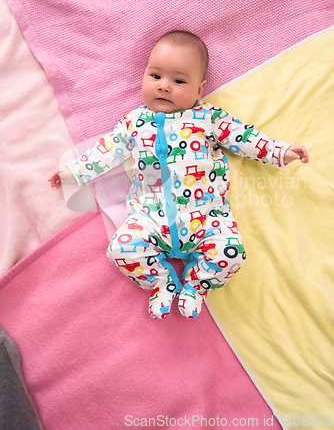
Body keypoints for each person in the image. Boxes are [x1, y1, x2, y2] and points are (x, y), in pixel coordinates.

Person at [49, 30, 309, 319]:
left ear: (199, 90)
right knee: (121, 249)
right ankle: (161, 283)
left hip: (207, 218)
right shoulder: (133, 123)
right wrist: (74, 172)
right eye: (155, 76)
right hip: (150, 217)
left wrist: (279, 152)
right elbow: (105, 151)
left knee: (231, 253)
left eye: (179, 81)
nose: (164, 87)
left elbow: (243, 138)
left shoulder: (208, 118)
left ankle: (195, 286)